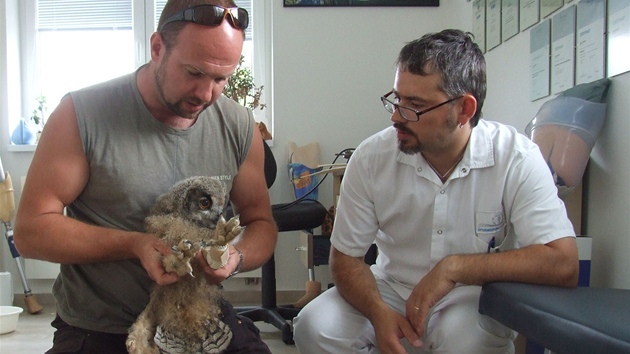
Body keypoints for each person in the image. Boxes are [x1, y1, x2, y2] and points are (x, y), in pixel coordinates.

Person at [13, 1, 277, 353]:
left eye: (220, 78)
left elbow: (261, 223)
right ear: (157, 48)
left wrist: (236, 258)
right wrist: (135, 245)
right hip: (103, 328)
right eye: (194, 73)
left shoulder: (238, 125)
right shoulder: (81, 115)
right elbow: (31, 232)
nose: (205, 94)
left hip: (199, 320)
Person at [293, 29, 579, 354]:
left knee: (467, 340)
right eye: (397, 98)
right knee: (314, 327)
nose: (396, 116)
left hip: (469, 293)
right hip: (389, 288)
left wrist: (454, 268)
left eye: (415, 105)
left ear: (464, 110)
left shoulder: (516, 157)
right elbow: (345, 259)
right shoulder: (372, 157)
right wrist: (377, 311)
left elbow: (563, 263)